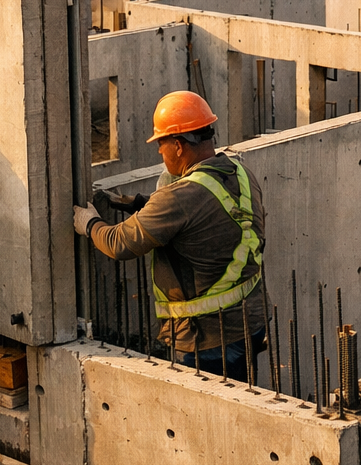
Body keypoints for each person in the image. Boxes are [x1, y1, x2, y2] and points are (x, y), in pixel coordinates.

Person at [73, 91, 267, 377]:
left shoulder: (180, 197)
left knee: (203, 419)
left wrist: (89, 223)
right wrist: (141, 204)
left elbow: (119, 243)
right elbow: (204, 218)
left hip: (206, 339)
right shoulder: (239, 172)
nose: (159, 152)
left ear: (178, 145)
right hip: (251, 321)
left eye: (161, 144)